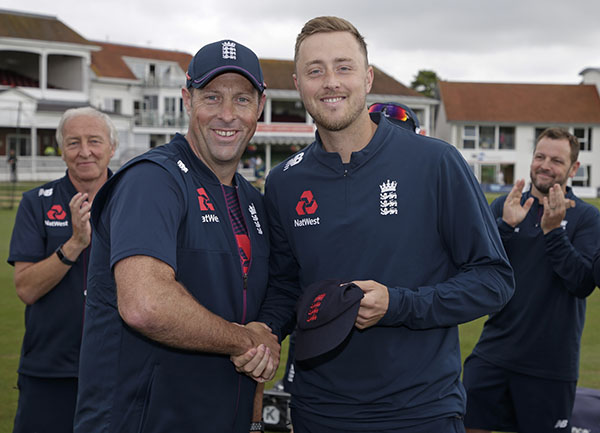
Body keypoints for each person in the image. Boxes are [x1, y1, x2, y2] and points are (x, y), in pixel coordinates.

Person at [234, 16, 514, 433]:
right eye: (316, 70)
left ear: (366, 78)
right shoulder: (284, 182)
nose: (330, 81)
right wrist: (265, 328)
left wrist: (399, 304)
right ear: (297, 84)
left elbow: (494, 280)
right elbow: (286, 286)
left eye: (343, 67)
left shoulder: (435, 162)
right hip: (320, 412)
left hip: (422, 413)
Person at [73, 40, 279, 433]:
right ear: (187, 99)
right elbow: (145, 304)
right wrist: (243, 341)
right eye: (212, 97)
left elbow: (259, 311)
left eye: (241, 99)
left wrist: (253, 418)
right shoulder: (152, 180)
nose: (227, 115)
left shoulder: (251, 199)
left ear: (260, 106)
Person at [463, 128, 600, 433]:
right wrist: (504, 227)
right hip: (493, 353)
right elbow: (474, 271)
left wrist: (554, 233)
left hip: (551, 365)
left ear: (573, 168)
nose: (545, 165)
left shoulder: (586, 217)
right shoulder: (504, 207)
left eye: (556, 160)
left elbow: (582, 283)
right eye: (540, 156)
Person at [7, 106, 117, 433]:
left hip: (118, 369)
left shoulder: (134, 200)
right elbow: (26, 288)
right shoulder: (36, 202)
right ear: (62, 151)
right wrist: (74, 244)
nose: (84, 151)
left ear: (112, 147)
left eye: (94, 141)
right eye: (73, 143)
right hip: (49, 370)